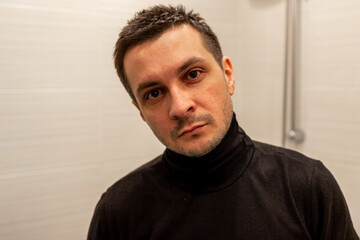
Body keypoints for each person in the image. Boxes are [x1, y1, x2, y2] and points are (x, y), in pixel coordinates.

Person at [88, 5, 359, 240]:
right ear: (140, 111)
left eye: (192, 74)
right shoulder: (117, 211)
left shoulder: (308, 186)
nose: (180, 107)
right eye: (154, 93)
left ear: (227, 75)